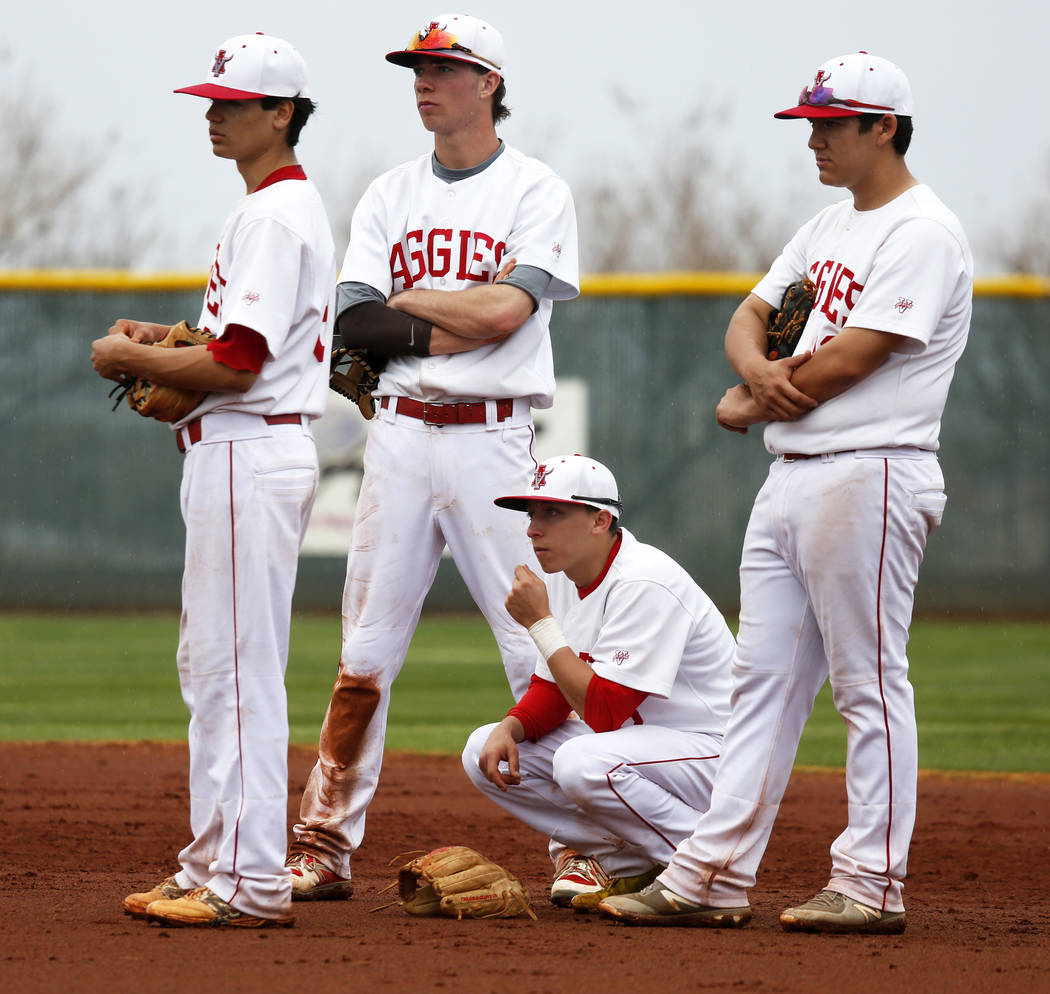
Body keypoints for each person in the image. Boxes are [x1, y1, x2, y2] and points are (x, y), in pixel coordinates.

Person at [600, 52, 972, 933]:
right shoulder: (826, 228)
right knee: (757, 684)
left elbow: (857, 355)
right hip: (793, 477)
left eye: (832, 124)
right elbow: (747, 318)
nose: (815, 138)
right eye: (810, 123)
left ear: (884, 126)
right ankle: (712, 873)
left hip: (873, 471)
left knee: (869, 684)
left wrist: (755, 391)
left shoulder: (921, 231)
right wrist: (756, 374)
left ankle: (873, 881)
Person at [286, 13, 579, 900]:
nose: (424, 80)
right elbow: (355, 322)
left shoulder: (536, 189)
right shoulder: (387, 192)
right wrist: (448, 317)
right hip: (402, 437)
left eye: (444, 67)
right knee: (364, 654)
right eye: (417, 67)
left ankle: (581, 845)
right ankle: (323, 845)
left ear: (488, 81)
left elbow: (506, 317)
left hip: (497, 444)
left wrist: (413, 309)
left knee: (540, 648)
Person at [91, 33, 336, 928]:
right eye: (211, 102)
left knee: (236, 672)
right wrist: (162, 341)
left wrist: (124, 356)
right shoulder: (266, 209)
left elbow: (234, 365)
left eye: (232, 103)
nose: (212, 115)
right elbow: (225, 348)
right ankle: (213, 862)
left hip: (248, 445)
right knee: (214, 667)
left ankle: (246, 879)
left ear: (283, 114)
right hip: (236, 447)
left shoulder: (274, 214)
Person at [460, 455, 737, 911]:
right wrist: (510, 727)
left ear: (600, 520)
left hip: (712, 751)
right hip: (648, 747)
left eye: (553, 513)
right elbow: (551, 692)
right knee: (481, 751)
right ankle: (629, 864)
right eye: (532, 515)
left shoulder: (644, 580)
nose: (533, 529)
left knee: (582, 761)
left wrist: (541, 624)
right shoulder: (569, 576)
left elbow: (606, 712)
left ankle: (708, 866)